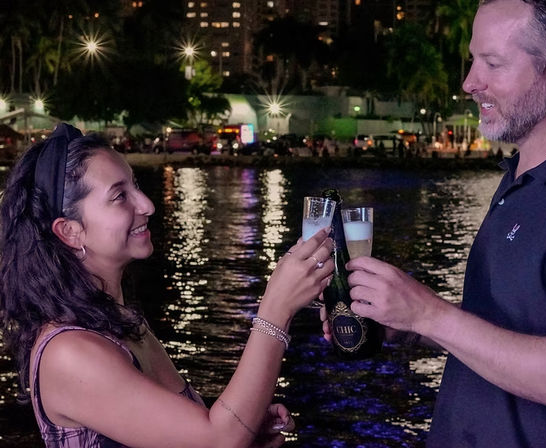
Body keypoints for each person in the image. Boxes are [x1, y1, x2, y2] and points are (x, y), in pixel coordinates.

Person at [322, 0, 546, 446]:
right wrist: (407, 325)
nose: (469, 82)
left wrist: (429, 312)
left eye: (493, 63)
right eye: (472, 60)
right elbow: (508, 332)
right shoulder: (520, 181)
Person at [0, 123, 335, 448]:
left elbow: (209, 434)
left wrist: (245, 428)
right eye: (120, 196)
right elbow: (219, 439)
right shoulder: (70, 353)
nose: (147, 205)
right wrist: (276, 308)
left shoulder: (122, 322)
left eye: (135, 186)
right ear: (70, 232)